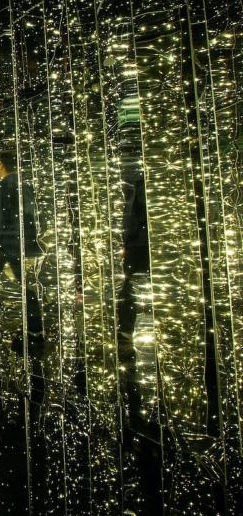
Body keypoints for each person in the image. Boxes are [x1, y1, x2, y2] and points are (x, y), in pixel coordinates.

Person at [0, 150, 45, 417]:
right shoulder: (25, 186)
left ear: (2, 165)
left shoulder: (6, 185)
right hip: (21, 246)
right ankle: (35, 330)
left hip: (6, 245)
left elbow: (0, 218)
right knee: (26, 288)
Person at [116, 173, 148, 436]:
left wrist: (128, 240)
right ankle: (126, 329)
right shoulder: (139, 185)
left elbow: (134, 218)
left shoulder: (139, 186)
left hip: (138, 244)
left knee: (127, 289)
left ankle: (126, 329)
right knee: (128, 289)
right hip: (138, 244)